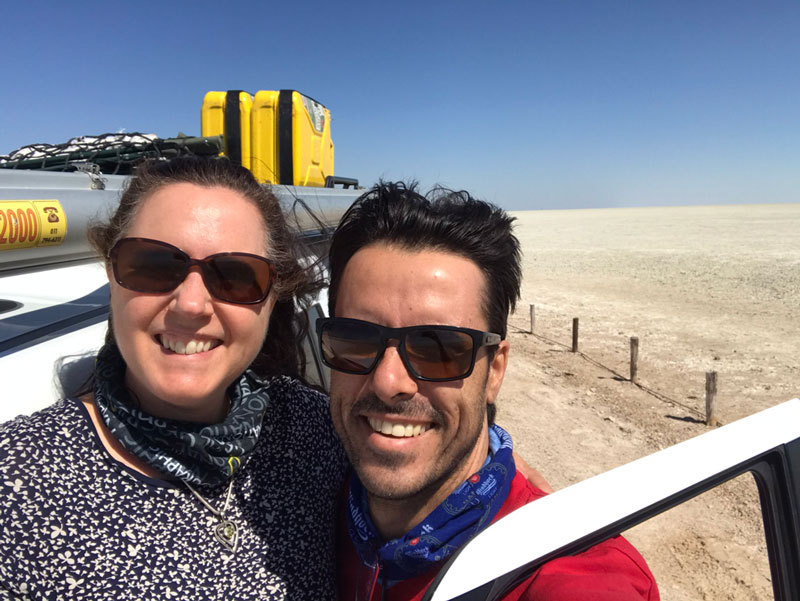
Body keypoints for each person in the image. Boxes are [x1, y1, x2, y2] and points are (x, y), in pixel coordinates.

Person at [0, 157, 346, 599]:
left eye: (236, 276)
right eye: (154, 265)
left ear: (272, 296)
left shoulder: (315, 431)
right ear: (111, 273)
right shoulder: (19, 483)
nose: (191, 305)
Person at [319, 182, 660, 600]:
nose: (389, 382)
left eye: (439, 348)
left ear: (494, 370)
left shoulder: (565, 573)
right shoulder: (305, 495)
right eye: (355, 339)